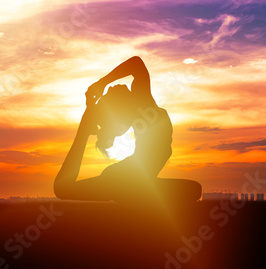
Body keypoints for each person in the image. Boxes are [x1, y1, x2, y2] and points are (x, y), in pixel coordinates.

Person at [54, 56, 202, 204]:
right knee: (63, 189)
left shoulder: (142, 106)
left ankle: (134, 194)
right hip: (120, 181)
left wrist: (102, 84)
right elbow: (137, 65)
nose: (111, 88)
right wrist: (101, 85)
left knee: (193, 189)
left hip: (128, 180)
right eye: (109, 94)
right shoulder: (144, 106)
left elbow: (136, 63)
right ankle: (84, 131)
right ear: (119, 110)